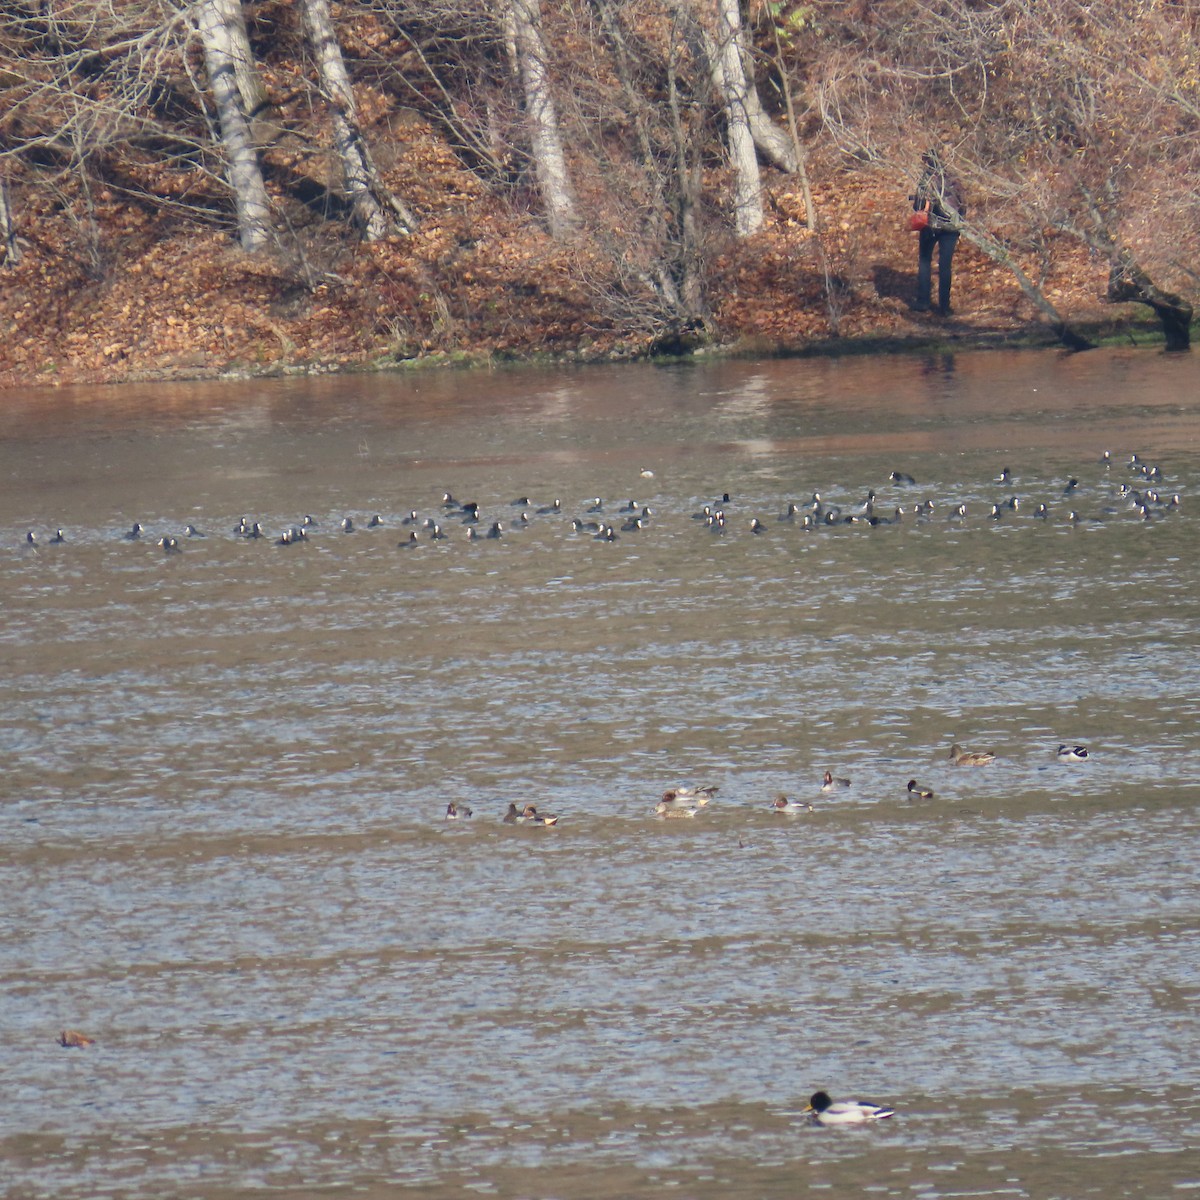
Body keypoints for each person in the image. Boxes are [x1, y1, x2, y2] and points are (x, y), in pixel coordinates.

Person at [912, 148, 966, 316]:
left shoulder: (927, 179)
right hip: (951, 226)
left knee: (925, 260)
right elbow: (963, 204)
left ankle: (923, 302)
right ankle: (944, 307)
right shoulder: (953, 178)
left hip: (931, 225)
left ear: (927, 162)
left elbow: (919, 205)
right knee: (945, 265)